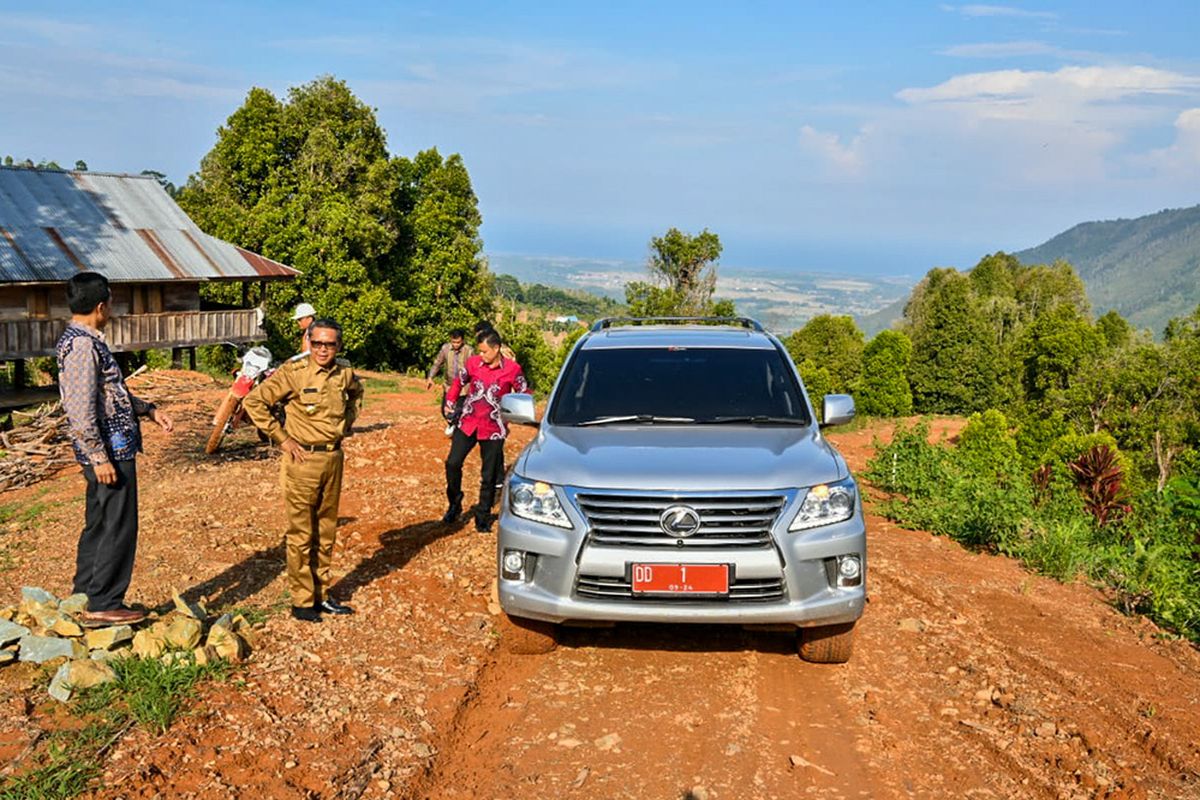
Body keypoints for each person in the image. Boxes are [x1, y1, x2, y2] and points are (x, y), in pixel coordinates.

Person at [56, 272, 175, 627]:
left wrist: (148, 409)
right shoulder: (81, 346)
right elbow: (79, 407)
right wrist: (99, 457)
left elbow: (110, 394)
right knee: (117, 526)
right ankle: (105, 602)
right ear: (101, 306)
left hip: (110, 449)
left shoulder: (85, 340)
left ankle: (86, 593)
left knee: (100, 522)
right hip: (110, 452)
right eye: (111, 302)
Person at [243, 318, 363, 623]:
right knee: (301, 533)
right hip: (302, 461)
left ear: (339, 346)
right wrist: (283, 439)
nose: (323, 350)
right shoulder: (294, 373)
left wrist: (345, 424)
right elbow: (255, 402)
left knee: (326, 531)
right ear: (309, 342)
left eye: (329, 344)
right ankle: (302, 600)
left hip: (333, 459)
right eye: (317, 343)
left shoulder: (344, 371)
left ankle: (322, 594)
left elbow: (356, 394)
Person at [443, 329, 528, 532]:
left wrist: (519, 414)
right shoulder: (473, 363)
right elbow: (459, 382)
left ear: (496, 348)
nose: (480, 355)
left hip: (494, 428)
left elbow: (524, 393)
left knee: (489, 475)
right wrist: (450, 400)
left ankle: (483, 515)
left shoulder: (513, 370)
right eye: (479, 351)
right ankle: (455, 503)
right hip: (468, 422)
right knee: (452, 463)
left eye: (484, 352)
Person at [425, 328, 473, 436]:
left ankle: (458, 430)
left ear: (463, 341)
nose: (456, 344)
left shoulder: (469, 351)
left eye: (458, 342)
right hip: (449, 385)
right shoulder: (445, 349)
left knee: (459, 410)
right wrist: (430, 377)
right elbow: (437, 363)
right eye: (453, 342)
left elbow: (474, 369)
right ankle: (452, 424)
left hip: (464, 387)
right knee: (444, 410)